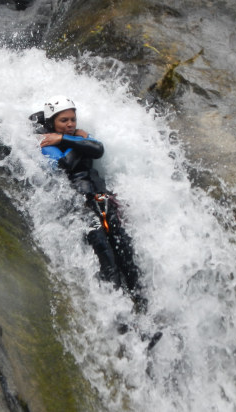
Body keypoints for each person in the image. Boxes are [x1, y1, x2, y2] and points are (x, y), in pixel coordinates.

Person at [30, 96, 146, 311]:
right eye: (64, 120)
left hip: (102, 200)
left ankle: (143, 307)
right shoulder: (47, 142)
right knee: (107, 258)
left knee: (125, 252)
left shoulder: (70, 137)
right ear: (51, 122)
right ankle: (120, 317)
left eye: (73, 119)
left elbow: (98, 149)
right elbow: (65, 164)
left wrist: (65, 138)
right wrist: (73, 140)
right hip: (82, 206)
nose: (70, 124)